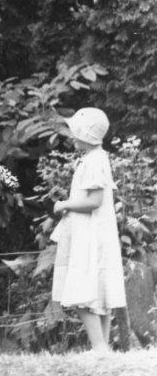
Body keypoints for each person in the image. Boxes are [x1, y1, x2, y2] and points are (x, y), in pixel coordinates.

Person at [50, 107, 127, 352]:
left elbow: (94, 201)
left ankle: (99, 348)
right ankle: (102, 349)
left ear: (85, 135)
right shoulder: (96, 159)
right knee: (99, 295)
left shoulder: (94, 161)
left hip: (90, 236)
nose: (72, 138)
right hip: (91, 233)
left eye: (75, 134)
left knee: (80, 293)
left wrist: (64, 204)